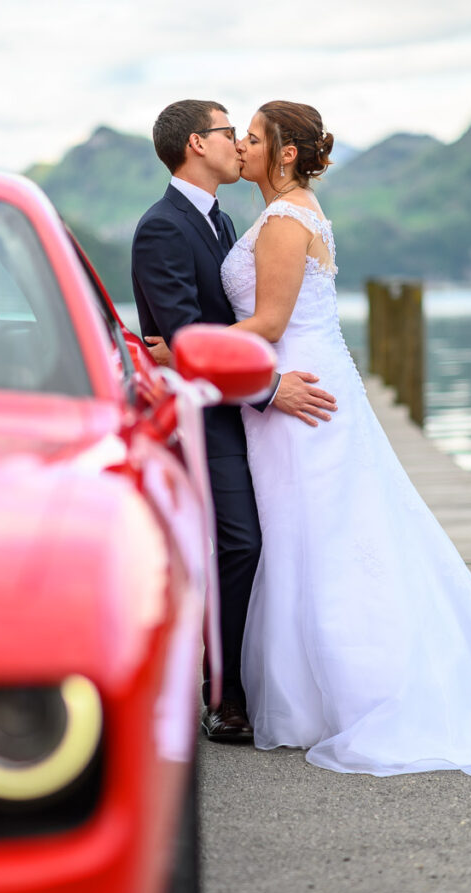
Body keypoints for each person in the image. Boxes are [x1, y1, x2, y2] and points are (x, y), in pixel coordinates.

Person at [225, 99, 471, 775]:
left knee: (320, 534)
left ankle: (348, 693)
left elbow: (268, 321)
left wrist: (181, 352)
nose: (241, 146)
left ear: (285, 153)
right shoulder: (288, 210)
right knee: (317, 531)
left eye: (253, 138)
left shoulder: (286, 219)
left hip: (299, 391)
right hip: (302, 384)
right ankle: (315, 691)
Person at [131, 99, 338, 741]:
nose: (239, 144)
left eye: (247, 136)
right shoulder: (163, 226)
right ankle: (221, 694)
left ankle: (271, 679)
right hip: (210, 415)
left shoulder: (223, 220)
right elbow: (189, 338)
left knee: (270, 540)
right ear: (198, 143)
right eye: (230, 133)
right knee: (239, 542)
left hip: (249, 408)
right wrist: (270, 386)